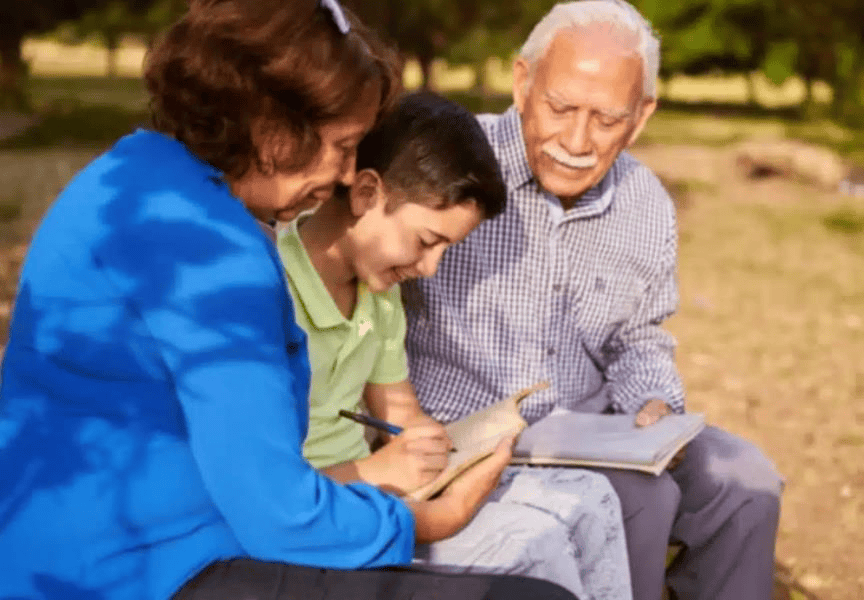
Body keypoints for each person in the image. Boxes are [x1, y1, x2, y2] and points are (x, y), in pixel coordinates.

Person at [0, 2, 578, 600]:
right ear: (275, 127)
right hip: (133, 571)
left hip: (92, 544)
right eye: (343, 145)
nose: (347, 171)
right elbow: (280, 515)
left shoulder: (129, 173)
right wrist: (430, 520)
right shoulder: (209, 249)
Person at [402, 2, 785, 600]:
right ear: (523, 81)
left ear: (640, 116)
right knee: (641, 496)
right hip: (465, 432)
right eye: (560, 108)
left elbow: (638, 337)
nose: (577, 141)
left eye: (606, 119)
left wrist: (655, 401)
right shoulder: (450, 160)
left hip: (593, 425)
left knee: (747, 483)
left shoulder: (645, 201)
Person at [276, 90, 632, 600]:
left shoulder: (379, 293)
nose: (430, 268)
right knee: (535, 546)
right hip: (323, 513)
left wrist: (441, 443)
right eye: (426, 241)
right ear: (366, 193)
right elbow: (267, 487)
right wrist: (378, 470)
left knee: (593, 499)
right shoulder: (273, 289)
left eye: (447, 249)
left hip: (387, 489)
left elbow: (399, 409)